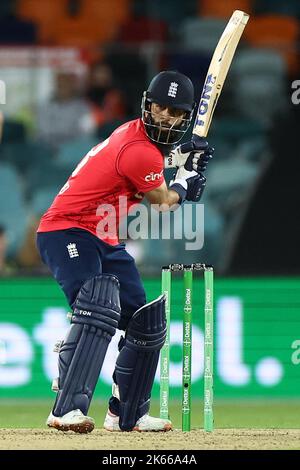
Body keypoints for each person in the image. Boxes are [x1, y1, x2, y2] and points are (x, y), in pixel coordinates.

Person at [36, 70, 214, 433]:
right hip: (66, 229)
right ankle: (65, 408)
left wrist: (177, 159)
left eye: (175, 112)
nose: (165, 116)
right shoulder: (138, 150)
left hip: (103, 236)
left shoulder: (140, 143)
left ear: (185, 117)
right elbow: (163, 201)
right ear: (147, 105)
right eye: (160, 107)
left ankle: (126, 415)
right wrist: (185, 181)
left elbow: (153, 165)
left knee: (145, 323)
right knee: (98, 303)